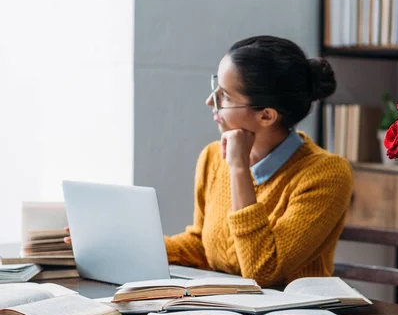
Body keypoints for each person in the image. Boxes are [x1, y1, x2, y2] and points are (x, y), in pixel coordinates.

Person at [66, 35, 353, 288]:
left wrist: (239, 168)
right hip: (224, 313)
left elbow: (262, 271)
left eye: (224, 97)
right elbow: (201, 246)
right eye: (216, 87)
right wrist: (117, 245)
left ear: (266, 115)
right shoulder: (213, 156)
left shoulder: (326, 174)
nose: (209, 101)